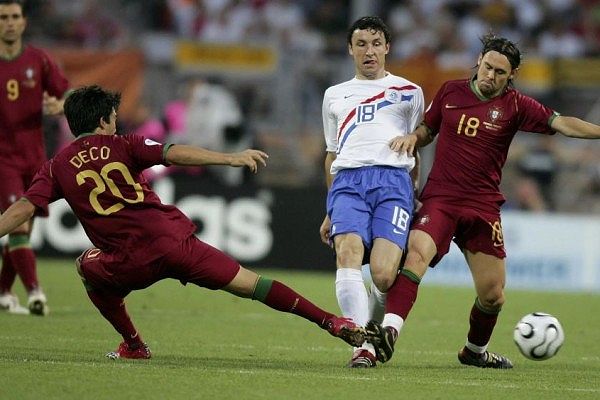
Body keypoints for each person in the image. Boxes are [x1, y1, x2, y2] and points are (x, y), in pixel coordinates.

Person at [0, 85, 366, 360]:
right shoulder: (125, 145)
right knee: (253, 283)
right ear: (102, 120)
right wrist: (231, 159)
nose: (116, 121)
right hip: (176, 243)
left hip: (128, 261)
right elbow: (174, 153)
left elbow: (24, 209)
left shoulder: (57, 167)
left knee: (85, 267)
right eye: (113, 116)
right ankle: (331, 321)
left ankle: (134, 345)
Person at [365, 34, 600, 369]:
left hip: (483, 207)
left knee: (493, 295)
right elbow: (428, 130)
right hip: (441, 199)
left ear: (511, 76)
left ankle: (474, 351)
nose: (490, 76)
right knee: (416, 255)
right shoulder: (450, 91)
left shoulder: (517, 105)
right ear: (478, 61)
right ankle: (389, 331)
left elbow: (563, 124)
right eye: (488, 67)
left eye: (500, 72)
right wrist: (412, 138)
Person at [319, 16, 424, 368]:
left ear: (387, 48)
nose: (369, 51)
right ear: (350, 49)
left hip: (394, 183)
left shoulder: (410, 92)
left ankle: (375, 327)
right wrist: (329, 209)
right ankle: (360, 345)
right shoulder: (334, 95)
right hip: (348, 180)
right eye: (361, 44)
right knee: (347, 253)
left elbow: (415, 147)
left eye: (376, 43)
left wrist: (415, 191)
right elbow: (331, 153)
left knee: (382, 274)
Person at [0, 0, 69, 315]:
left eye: (15, 17)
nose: (9, 23)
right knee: (18, 226)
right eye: (3, 18)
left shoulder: (38, 60)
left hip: (35, 159)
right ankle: (35, 293)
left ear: (24, 22)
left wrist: (61, 105)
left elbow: (64, 93)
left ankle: (3, 291)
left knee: (24, 230)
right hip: (4, 159)